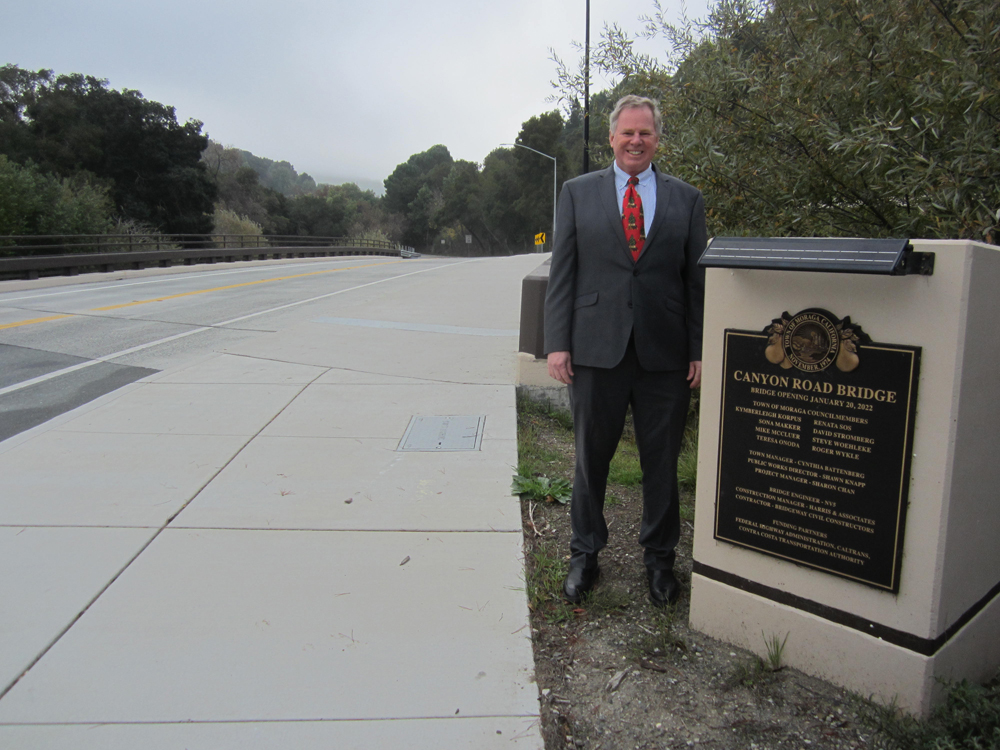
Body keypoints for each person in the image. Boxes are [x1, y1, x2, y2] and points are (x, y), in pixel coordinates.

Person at [543, 94, 707, 607]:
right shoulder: (576, 193)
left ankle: (660, 560)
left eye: (646, 133)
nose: (637, 141)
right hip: (595, 350)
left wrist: (699, 349)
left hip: (666, 353)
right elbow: (562, 273)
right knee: (591, 459)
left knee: (662, 464)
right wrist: (557, 344)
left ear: (658, 138)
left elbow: (696, 280)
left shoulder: (687, 198)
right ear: (611, 137)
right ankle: (584, 554)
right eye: (627, 132)